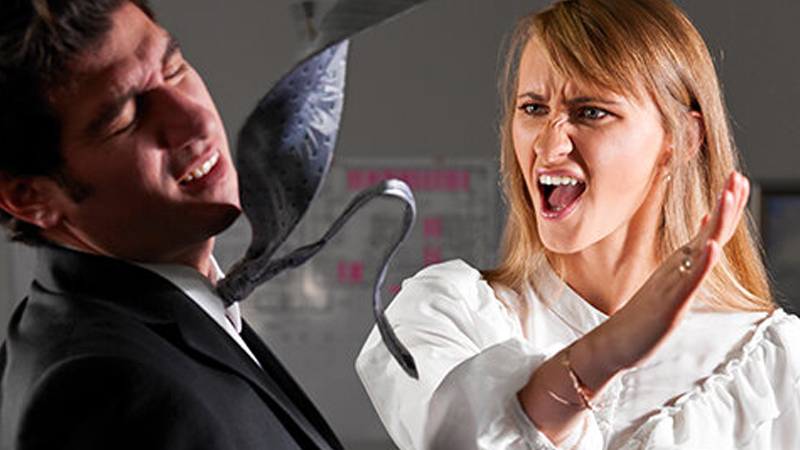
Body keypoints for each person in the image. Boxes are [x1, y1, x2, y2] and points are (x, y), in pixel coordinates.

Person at [356, 0, 800, 449]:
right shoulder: (443, 316)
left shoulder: (776, 369)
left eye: (591, 112)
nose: (548, 147)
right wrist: (603, 353)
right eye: (533, 108)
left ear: (682, 138)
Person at [0, 1, 342, 449]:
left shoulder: (162, 321)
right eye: (126, 118)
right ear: (32, 196)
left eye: (174, 68)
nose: (195, 120)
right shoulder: (106, 396)